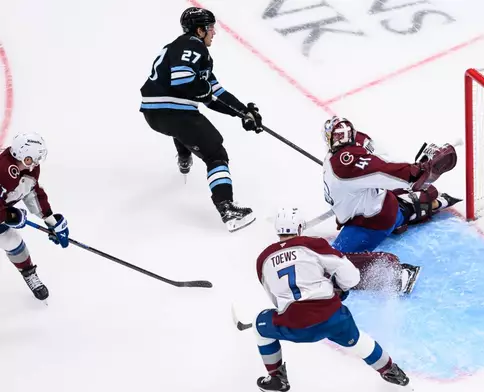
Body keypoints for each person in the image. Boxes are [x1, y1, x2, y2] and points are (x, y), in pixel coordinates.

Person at [253, 208, 409, 391]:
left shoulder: (263, 259)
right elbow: (351, 276)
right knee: (359, 340)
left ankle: (277, 379)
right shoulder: (311, 244)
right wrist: (341, 289)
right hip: (332, 317)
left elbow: (275, 297)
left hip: (294, 324)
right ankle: (391, 371)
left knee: (260, 326)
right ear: (300, 227)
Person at [140, 6, 262, 232]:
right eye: (211, 28)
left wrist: (243, 112)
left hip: (156, 114)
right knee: (215, 154)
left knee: (188, 128)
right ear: (200, 30)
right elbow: (184, 81)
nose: (214, 33)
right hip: (173, 111)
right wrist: (204, 91)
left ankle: (184, 156)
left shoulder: (186, 50)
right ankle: (227, 208)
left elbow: (215, 95)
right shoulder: (192, 45)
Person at [321, 116, 462, 291]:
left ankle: (394, 274)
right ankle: (422, 203)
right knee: (392, 200)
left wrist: (417, 171)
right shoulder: (358, 143)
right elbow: (380, 160)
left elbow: (382, 170)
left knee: (329, 264)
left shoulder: (345, 165)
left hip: (370, 224)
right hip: (388, 206)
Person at [0, 133, 70, 301]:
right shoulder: (3, 169)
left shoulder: (27, 169)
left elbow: (31, 192)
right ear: (21, 155)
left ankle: (28, 273)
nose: (36, 164)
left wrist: (51, 220)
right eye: (32, 159)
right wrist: (10, 215)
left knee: (11, 240)